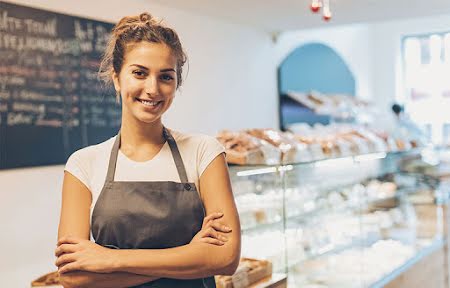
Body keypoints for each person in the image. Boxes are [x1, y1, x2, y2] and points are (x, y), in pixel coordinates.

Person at [55, 12, 241, 288]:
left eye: (166, 77)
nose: (152, 89)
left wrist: (110, 260)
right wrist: (192, 256)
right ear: (117, 78)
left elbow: (226, 258)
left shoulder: (204, 152)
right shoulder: (84, 164)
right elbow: (73, 276)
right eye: (139, 73)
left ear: (176, 84)